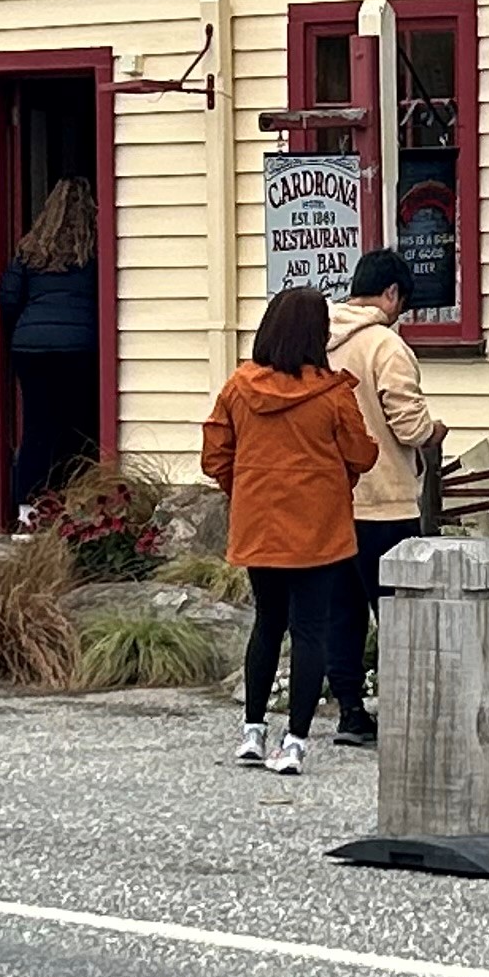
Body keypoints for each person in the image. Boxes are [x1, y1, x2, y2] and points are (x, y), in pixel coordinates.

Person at [200, 285, 376, 777]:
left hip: (259, 524)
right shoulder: (333, 394)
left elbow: (214, 455)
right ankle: (295, 741)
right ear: (317, 334)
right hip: (319, 528)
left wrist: (246, 488)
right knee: (310, 630)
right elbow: (361, 454)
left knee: (267, 623)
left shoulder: (239, 387)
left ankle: (252, 732)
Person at [326, 247, 449, 749]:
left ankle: (350, 711)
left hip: (333, 500)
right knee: (398, 612)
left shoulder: (318, 339)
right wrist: (434, 432)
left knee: (341, 611)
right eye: (403, 304)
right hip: (385, 497)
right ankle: (405, 712)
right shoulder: (385, 345)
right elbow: (408, 424)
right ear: (392, 293)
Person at [0, 177, 100, 522]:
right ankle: (71, 508)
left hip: (30, 349)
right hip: (79, 349)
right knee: (78, 428)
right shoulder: (93, 251)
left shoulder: (30, 250)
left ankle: (27, 511)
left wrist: (27, 326)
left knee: (37, 429)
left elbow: (8, 298)